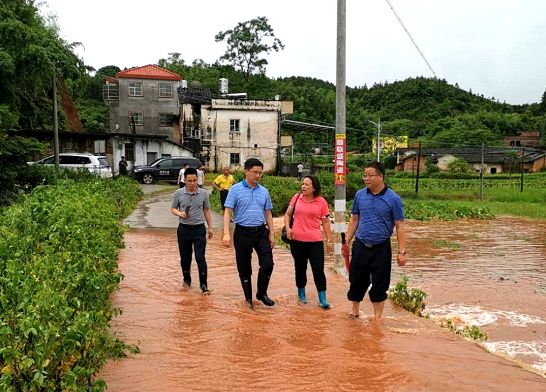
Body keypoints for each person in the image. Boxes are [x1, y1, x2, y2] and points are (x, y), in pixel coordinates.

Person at [345, 161, 407, 320]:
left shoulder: (393, 198)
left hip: (381, 248)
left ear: (381, 176)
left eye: (370, 175)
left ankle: (377, 318)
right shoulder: (360, 195)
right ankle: (354, 310)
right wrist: (346, 240)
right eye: (364, 175)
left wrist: (402, 252)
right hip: (360, 245)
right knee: (357, 279)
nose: (366, 178)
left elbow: (399, 226)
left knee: (380, 283)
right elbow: (354, 219)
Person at [222, 158, 275, 309]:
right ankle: (248, 300)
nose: (258, 176)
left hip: (260, 232)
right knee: (244, 268)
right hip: (242, 232)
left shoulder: (264, 191)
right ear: (246, 171)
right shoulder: (235, 189)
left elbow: (268, 213)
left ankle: (261, 293)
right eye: (255, 172)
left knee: (268, 264)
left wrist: (271, 233)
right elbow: (228, 212)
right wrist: (226, 233)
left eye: (260, 173)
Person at [284, 175, 333, 309]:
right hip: (297, 241)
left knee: (318, 270)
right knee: (300, 269)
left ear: (314, 187)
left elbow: (325, 222)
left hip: (315, 242)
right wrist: (288, 228)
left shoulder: (321, 202)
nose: (303, 187)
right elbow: (288, 214)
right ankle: (301, 294)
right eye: (302, 184)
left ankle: (322, 298)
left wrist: (329, 240)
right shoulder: (296, 198)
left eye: (306, 184)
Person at [171, 167, 214, 295]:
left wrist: (210, 227)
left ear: (197, 179)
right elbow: (173, 208)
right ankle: (187, 280)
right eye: (189, 181)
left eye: (194, 180)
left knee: (200, 258)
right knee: (185, 258)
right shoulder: (178, 193)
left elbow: (206, 210)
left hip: (199, 229)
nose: (192, 183)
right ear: (184, 180)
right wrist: (180, 213)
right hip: (184, 229)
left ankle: (204, 286)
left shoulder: (203, 193)